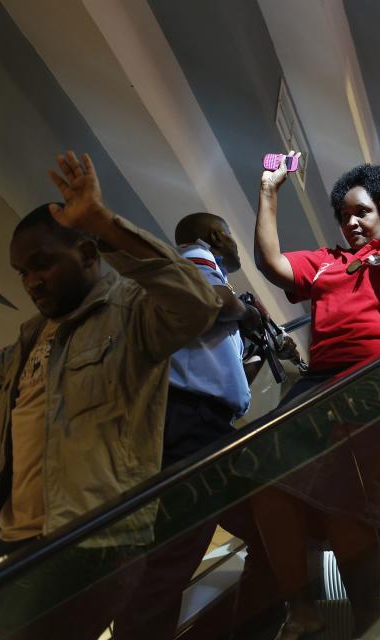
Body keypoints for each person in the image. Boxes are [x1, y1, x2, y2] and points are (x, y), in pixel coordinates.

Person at [0, 152, 221, 639]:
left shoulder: (129, 313)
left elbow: (198, 301)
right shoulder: (31, 335)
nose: (32, 281)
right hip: (2, 539)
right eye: (22, 271)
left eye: (42, 264)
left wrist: (103, 223)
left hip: (84, 542)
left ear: (87, 254)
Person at [250, 113, 380, 638]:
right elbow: (271, 262)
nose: (352, 223)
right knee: (266, 482)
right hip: (322, 381)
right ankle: (304, 610)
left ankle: (371, 618)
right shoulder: (325, 262)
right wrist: (269, 191)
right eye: (344, 215)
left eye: (363, 213)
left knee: (339, 489)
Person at [114, 212, 272, 640]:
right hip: (193, 423)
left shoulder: (179, 274)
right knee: (171, 557)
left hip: (202, 422)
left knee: (269, 520)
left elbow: (222, 379)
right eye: (232, 237)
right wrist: (246, 315)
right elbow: (216, 301)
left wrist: (254, 353)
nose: (234, 246)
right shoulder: (194, 258)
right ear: (217, 235)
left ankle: (268, 609)